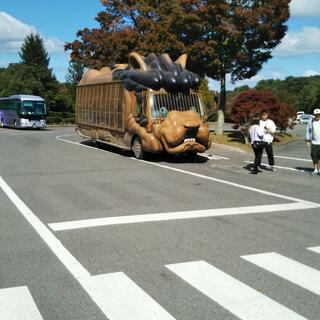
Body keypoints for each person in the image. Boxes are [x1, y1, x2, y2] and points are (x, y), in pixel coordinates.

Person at [306, 108, 320, 175]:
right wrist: (308, 140)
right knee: (314, 156)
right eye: (316, 115)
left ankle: (319, 169)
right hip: (314, 142)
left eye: (318, 114)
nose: (317, 116)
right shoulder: (311, 121)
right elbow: (308, 131)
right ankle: (315, 169)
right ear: (314, 115)